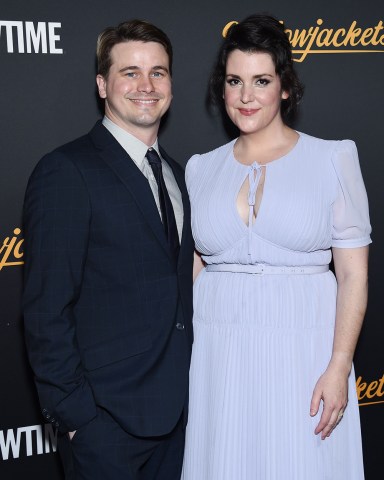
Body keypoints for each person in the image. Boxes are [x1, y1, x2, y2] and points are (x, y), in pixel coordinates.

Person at [181, 14, 370, 480]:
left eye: (261, 81)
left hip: (303, 356)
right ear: (221, 89)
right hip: (218, 357)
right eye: (234, 81)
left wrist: (339, 367)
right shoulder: (200, 169)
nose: (246, 96)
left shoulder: (332, 158)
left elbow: (353, 275)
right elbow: (193, 271)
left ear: (285, 87)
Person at [22, 19, 194, 480]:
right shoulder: (66, 171)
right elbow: (45, 309)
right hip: (106, 426)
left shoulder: (178, 174)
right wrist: (79, 419)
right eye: (130, 72)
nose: (146, 85)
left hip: (180, 421)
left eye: (158, 72)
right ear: (102, 84)